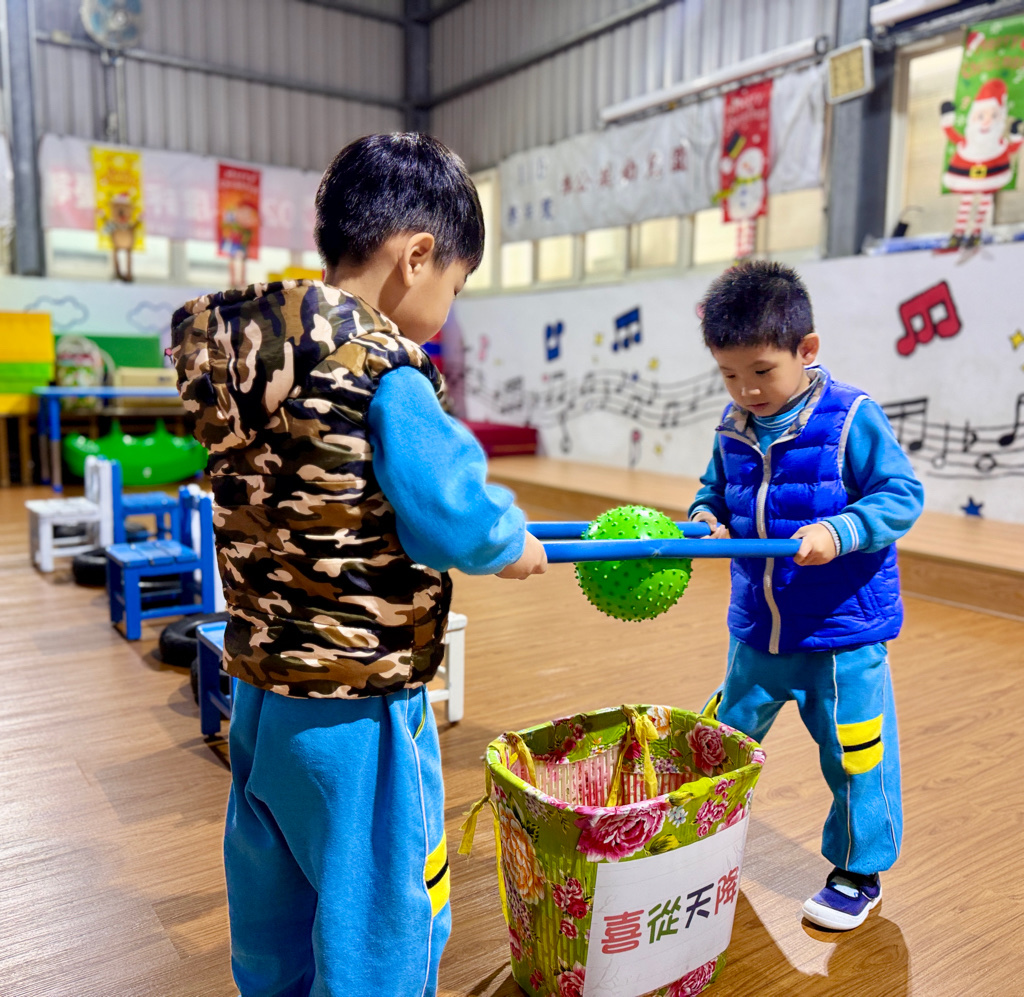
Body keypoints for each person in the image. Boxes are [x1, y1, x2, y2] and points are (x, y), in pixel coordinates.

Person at [169, 133, 547, 997]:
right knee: (384, 906)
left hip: (260, 693)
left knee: (273, 895)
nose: (448, 305)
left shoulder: (251, 364)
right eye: (456, 284)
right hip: (358, 702)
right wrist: (510, 543)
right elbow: (448, 510)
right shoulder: (386, 371)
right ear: (417, 257)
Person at [689, 260, 923, 931]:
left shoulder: (851, 417)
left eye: (762, 371)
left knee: (856, 756)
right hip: (757, 633)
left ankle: (857, 870)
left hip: (841, 637)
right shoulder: (733, 426)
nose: (746, 389)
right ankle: (697, 842)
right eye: (729, 375)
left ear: (807, 350)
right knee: (718, 743)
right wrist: (705, 517)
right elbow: (712, 492)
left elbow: (902, 495)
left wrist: (839, 530)